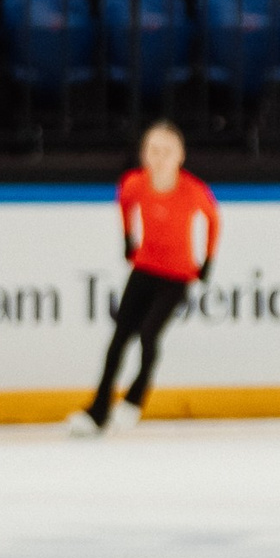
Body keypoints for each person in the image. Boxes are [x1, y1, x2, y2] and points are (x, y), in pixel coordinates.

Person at [68, 120, 216, 437]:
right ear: (144, 154)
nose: (160, 157)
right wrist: (127, 237)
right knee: (118, 339)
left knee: (148, 334)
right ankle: (98, 410)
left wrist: (208, 260)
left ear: (180, 155)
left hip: (177, 275)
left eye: (167, 151)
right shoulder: (134, 184)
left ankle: (135, 398)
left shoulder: (192, 190)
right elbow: (124, 204)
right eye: (153, 149)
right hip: (145, 267)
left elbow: (213, 219)